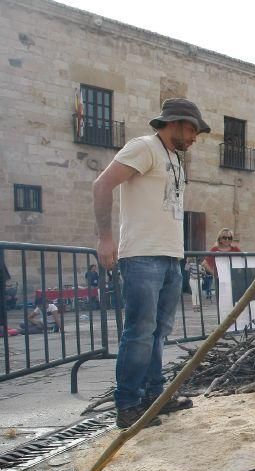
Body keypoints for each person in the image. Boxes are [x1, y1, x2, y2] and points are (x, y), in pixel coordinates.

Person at [92, 97, 208, 429]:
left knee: (158, 334)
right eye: (194, 130)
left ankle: (156, 398)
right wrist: (105, 238)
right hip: (142, 255)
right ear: (177, 123)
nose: (195, 138)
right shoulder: (143, 147)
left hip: (171, 256)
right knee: (140, 333)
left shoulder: (173, 157)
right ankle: (128, 405)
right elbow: (102, 185)